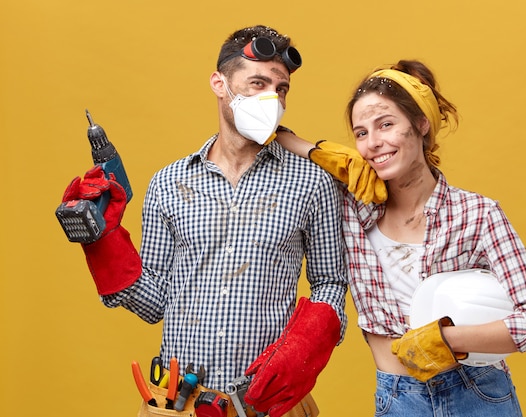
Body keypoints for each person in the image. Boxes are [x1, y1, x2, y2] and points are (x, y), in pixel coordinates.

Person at [60, 25, 348, 417]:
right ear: (219, 83)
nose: (271, 99)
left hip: (268, 406)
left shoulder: (312, 182)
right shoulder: (168, 183)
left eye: (280, 90)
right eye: (257, 83)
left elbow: (330, 281)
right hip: (177, 404)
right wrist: (103, 242)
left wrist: (306, 344)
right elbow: (155, 303)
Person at [275, 59, 526, 416]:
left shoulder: (477, 214)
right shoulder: (351, 210)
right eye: (361, 133)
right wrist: (317, 150)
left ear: (421, 125)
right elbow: (270, 135)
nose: (374, 143)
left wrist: (445, 339)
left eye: (386, 124)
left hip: (479, 393)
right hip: (399, 398)